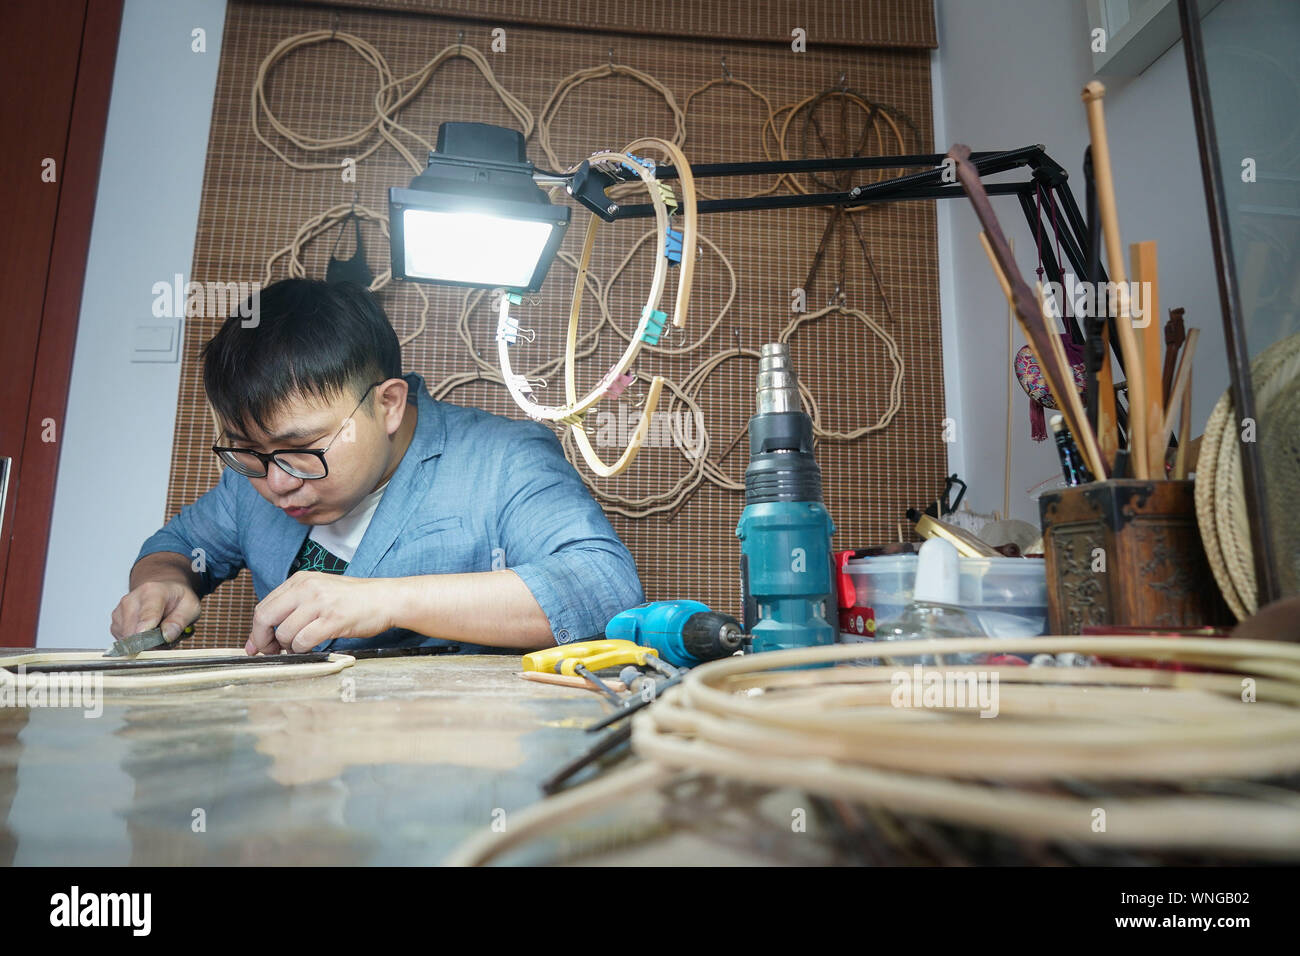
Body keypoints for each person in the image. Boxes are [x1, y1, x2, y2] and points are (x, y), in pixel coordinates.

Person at [109, 279, 645, 655]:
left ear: (387, 404)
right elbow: (175, 546)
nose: (279, 482)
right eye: (249, 449)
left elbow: (605, 588)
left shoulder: (502, 459)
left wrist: (388, 600)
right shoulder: (256, 474)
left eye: (305, 447)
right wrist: (162, 583)